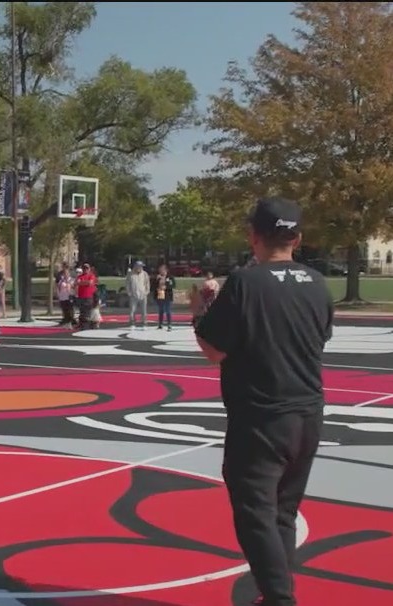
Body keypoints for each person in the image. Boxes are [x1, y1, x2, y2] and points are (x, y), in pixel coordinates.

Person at [195, 197, 333, 606]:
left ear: (254, 236)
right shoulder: (318, 283)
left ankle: (279, 599)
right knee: (282, 513)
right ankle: (274, 593)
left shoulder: (245, 283)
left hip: (261, 417)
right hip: (307, 413)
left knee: (255, 514)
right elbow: (320, 336)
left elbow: (213, 349)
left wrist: (201, 309)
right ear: (298, 238)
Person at [125, 261, 150, 329]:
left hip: (143, 295)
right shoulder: (130, 274)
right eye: (139, 266)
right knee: (132, 310)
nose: (140, 268)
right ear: (136, 266)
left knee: (144, 310)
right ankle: (132, 323)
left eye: (141, 267)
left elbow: (147, 283)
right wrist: (129, 292)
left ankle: (144, 323)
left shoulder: (145, 274)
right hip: (134, 295)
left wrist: (146, 292)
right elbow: (127, 284)